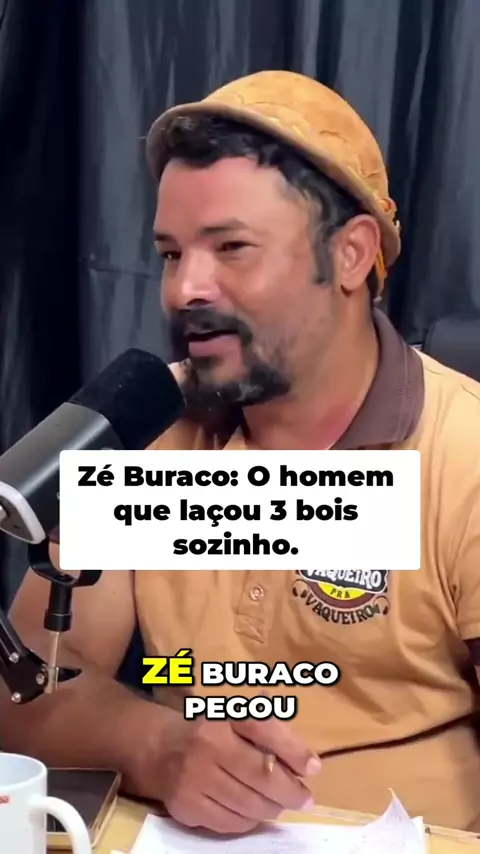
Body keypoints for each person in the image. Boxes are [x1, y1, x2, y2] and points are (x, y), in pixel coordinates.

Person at [2, 69, 480, 834]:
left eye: (231, 247)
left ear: (352, 255)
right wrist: (156, 746)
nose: (185, 288)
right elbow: (24, 691)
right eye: (170, 254)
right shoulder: (145, 432)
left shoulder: (465, 452)